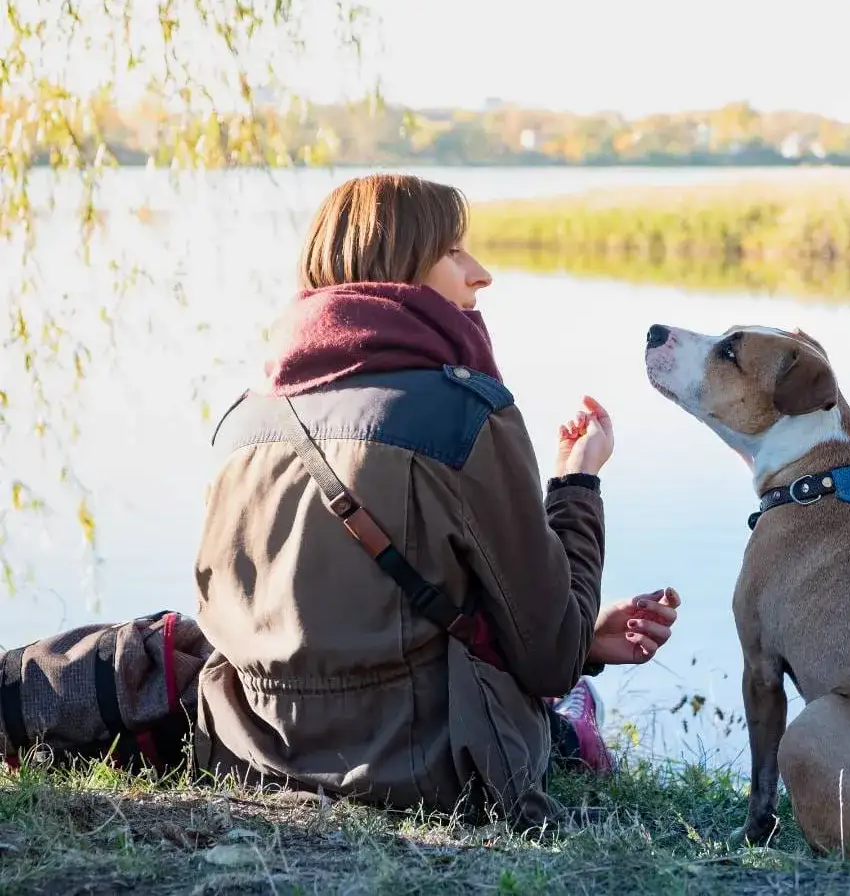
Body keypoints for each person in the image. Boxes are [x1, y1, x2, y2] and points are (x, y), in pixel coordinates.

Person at [190, 173, 681, 829]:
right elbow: (552, 657)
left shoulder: (241, 422)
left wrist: (585, 638)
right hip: (428, 774)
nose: (481, 275)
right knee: (567, 694)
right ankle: (575, 738)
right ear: (396, 271)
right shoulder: (464, 415)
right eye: (454, 252)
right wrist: (576, 485)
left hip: (249, 758)